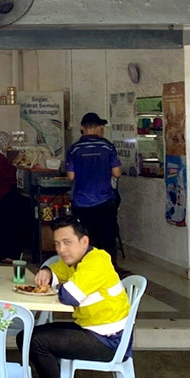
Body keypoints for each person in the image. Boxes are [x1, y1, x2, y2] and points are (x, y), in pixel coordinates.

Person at [25, 215, 130, 378]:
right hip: (90, 329)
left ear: (84, 241)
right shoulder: (77, 261)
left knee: (37, 341)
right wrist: (47, 272)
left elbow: (69, 296)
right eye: (57, 244)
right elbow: (57, 271)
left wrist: (58, 285)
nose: (61, 250)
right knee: (26, 337)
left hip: (108, 340)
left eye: (67, 242)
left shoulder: (96, 261)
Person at [65, 112, 122, 266]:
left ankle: (85, 273)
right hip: (104, 201)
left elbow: (70, 176)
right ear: (98, 128)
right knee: (107, 241)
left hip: (81, 203)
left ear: (82, 128)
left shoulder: (74, 149)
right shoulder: (107, 146)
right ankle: (108, 275)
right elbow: (117, 173)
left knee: (84, 241)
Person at [0, 131, 27, 262]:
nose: (8, 145)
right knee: (6, 225)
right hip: (2, 195)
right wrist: (15, 164)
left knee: (1, 224)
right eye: (6, 142)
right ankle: (5, 254)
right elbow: (7, 174)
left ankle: (1, 253)